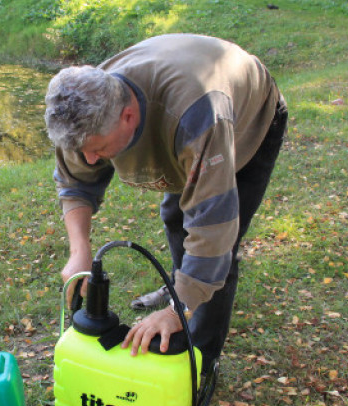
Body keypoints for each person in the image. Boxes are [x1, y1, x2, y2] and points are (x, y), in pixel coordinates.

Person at [45, 33, 287, 375]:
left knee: (216, 250)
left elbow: (213, 230)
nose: (90, 158)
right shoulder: (85, 107)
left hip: (248, 116)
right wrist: (79, 249)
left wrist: (178, 310)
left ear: (128, 117)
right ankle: (182, 291)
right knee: (176, 215)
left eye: (98, 149)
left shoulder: (196, 119)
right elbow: (74, 181)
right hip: (183, 117)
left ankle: (198, 361)